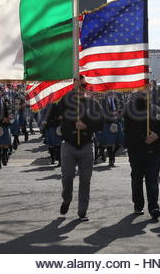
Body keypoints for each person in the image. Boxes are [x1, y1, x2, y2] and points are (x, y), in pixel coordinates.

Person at [58, 76, 104, 222]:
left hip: (85, 145)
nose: (80, 88)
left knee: (85, 179)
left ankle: (82, 210)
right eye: (78, 84)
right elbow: (57, 110)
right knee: (67, 177)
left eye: (82, 85)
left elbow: (100, 124)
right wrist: (71, 92)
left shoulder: (92, 104)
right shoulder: (67, 100)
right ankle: (66, 199)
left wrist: (87, 126)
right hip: (69, 145)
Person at [124, 90, 160, 220]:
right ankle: (138, 205)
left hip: (153, 152)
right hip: (137, 152)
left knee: (152, 181)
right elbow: (127, 132)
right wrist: (141, 139)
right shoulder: (130, 111)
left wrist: (156, 135)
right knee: (137, 179)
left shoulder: (156, 110)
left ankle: (154, 207)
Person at [99, 91, 124, 167]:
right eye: (109, 91)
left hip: (117, 122)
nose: (111, 92)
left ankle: (112, 155)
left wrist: (118, 112)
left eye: (112, 91)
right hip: (107, 123)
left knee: (121, 141)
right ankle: (111, 160)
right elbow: (102, 112)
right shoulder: (103, 101)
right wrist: (111, 115)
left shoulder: (117, 100)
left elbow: (121, 109)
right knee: (109, 144)